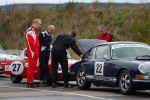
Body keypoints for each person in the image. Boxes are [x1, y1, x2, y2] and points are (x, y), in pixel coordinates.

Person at [25, 19, 42, 88]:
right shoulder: (30, 31)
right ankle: (29, 82)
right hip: (32, 52)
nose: (40, 26)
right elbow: (31, 42)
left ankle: (31, 81)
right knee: (31, 67)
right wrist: (34, 51)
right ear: (36, 23)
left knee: (33, 67)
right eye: (40, 24)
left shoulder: (33, 31)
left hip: (34, 51)